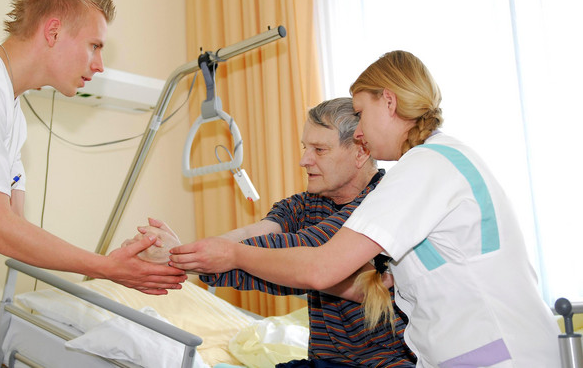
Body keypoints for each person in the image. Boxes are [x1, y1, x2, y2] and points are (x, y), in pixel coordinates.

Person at [170, 51, 561, 367]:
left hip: (497, 353)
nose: (359, 131)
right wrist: (189, 255)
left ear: (388, 101)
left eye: (361, 112)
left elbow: (320, 267)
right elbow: (373, 280)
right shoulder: (437, 161)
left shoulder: (422, 168)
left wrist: (230, 255)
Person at [0, 0, 186, 367]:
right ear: (52, 32)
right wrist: (107, 268)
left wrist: (123, 257)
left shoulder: (8, 110)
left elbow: (14, 227)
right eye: (94, 46)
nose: (99, 65)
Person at [136, 98, 415, 367]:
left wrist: (187, 256)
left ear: (361, 152)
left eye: (319, 150)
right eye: (305, 147)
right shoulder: (308, 203)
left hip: (387, 361)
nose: (304, 160)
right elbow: (252, 235)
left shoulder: (380, 203)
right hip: (325, 360)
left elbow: (307, 254)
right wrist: (180, 253)